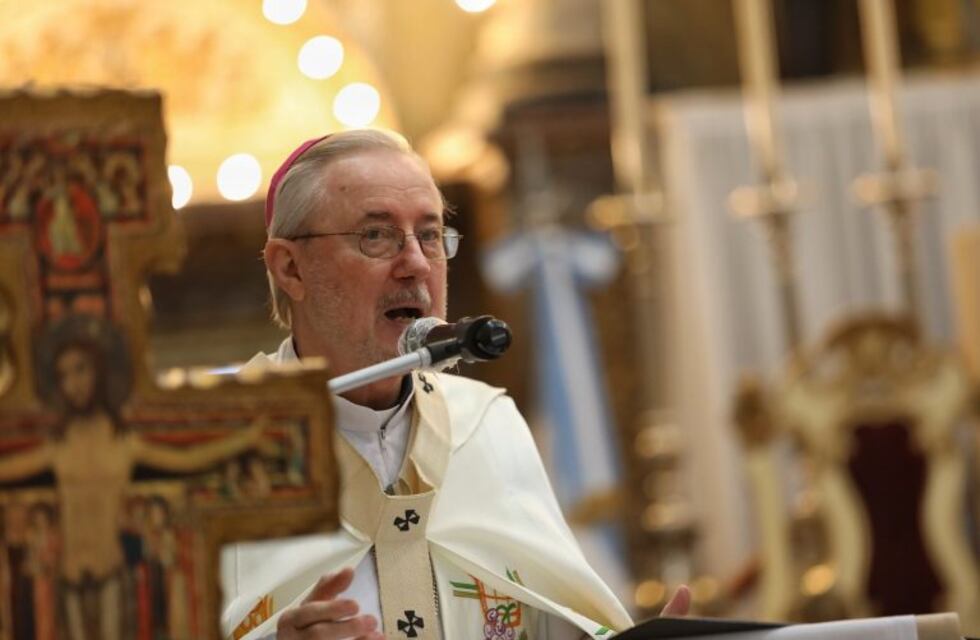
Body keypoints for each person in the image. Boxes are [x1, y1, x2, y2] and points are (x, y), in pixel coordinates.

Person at [221, 130, 690, 640]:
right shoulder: (211, 448)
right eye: (376, 236)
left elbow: (549, 623)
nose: (417, 264)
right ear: (290, 267)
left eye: (430, 234)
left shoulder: (486, 424)